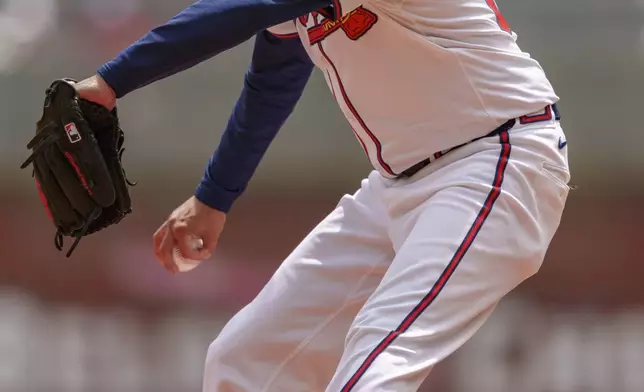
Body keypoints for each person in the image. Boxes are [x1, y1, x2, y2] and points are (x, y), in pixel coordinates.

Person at [74, 0, 571, 390]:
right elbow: (275, 78)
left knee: (377, 363)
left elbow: (249, 6)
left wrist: (113, 80)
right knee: (247, 360)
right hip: (397, 184)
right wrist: (213, 198)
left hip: (497, 162)